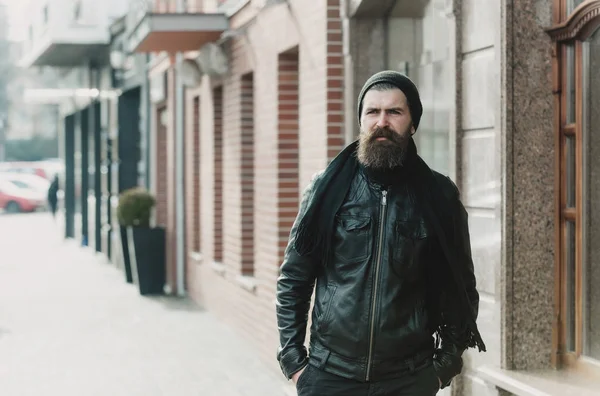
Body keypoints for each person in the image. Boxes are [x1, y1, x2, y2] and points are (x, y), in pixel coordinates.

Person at [275, 71, 486, 396]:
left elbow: (460, 289)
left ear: (412, 123)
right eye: (372, 112)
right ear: (361, 120)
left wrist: (441, 370)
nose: (382, 122)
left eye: (394, 112)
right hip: (329, 375)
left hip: (408, 378)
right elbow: (294, 279)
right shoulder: (326, 189)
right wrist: (295, 364)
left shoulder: (439, 196)